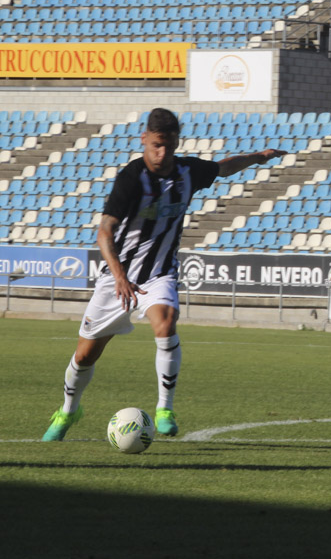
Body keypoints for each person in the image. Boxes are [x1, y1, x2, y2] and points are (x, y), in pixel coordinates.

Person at [41, 108, 285, 441]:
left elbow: (225, 168)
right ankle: (68, 411)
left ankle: (164, 408)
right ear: (144, 139)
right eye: (156, 145)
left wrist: (259, 157)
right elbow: (104, 233)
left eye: (168, 146)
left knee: (165, 322)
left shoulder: (188, 171)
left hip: (160, 274)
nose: (162, 153)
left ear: (176, 143)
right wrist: (120, 278)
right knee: (85, 355)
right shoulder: (131, 178)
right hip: (118, 278)